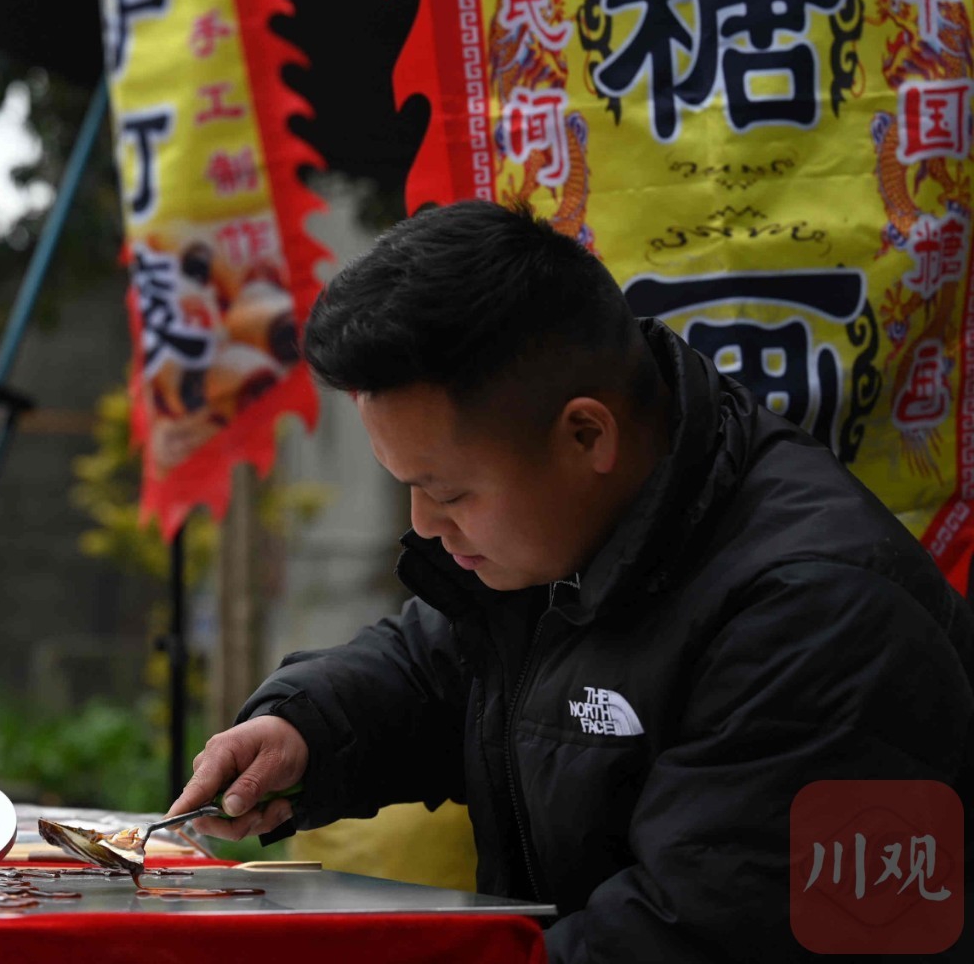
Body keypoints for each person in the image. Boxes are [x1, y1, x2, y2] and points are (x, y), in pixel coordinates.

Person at [168, 201, 974, 962]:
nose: (423, 523)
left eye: (448, 492)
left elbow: (692, 936)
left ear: (586, 434)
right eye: (405, 486)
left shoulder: (816, 617)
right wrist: (304, 729)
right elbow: (436, 665)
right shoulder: (566, 532)